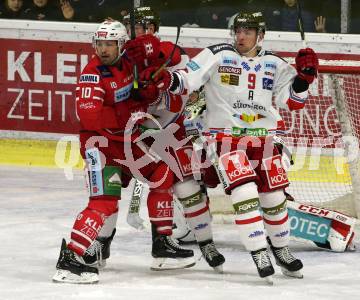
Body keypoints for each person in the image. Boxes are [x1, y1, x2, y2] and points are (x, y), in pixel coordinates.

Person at [142, 11, 318, 283]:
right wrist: (167, 79)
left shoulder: (274, 63)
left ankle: (281, 250)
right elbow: (186, 80)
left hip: (265, 139)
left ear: (261, 35)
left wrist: (304, 79)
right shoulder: (217, 54)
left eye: (248, 31)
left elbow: (292, 101)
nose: (241, 36)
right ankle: (256, 251)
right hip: (223, 139)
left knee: (274, 198)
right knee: (241, 191)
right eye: (238, 30)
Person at [52, 20, 195, 284]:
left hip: (127, 142)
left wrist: (147, 85)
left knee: (162, 173)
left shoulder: (130, 59)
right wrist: (130, 109)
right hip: (100, 145)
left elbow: (172, 54)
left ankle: (162, 245)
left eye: (109, 44)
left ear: (120, 44)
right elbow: (90, 117)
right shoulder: (92, 75)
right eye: (100, 44)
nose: (103, 49)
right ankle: (71, 257)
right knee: (105, 202)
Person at [124, 6, 226, 272]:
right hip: (141, 136)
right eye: (132, 26)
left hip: (174, 132)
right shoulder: (122, 57)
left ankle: (202, 244)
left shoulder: (169, 50)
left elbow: (183, 67)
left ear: (153, 29)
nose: (135, 32)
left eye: (141, 26)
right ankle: (104, 243)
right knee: (150, 188)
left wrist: (153, 53)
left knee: (189, 191)